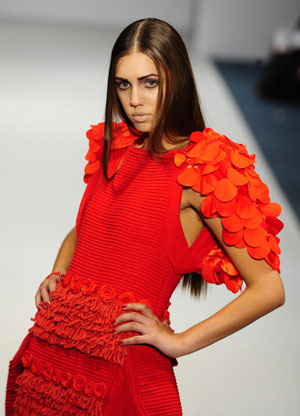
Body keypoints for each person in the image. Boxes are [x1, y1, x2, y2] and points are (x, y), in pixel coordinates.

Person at [6, 17, 285, 416]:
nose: (134, 100)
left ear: (178, 79)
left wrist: (180, 341)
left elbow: (269, 288)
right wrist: (58, 274)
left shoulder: (206, 169)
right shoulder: (115, 147)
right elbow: (86, 228)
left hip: (121, 367)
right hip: (52, 356)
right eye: (124, 84)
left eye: (149, 82)